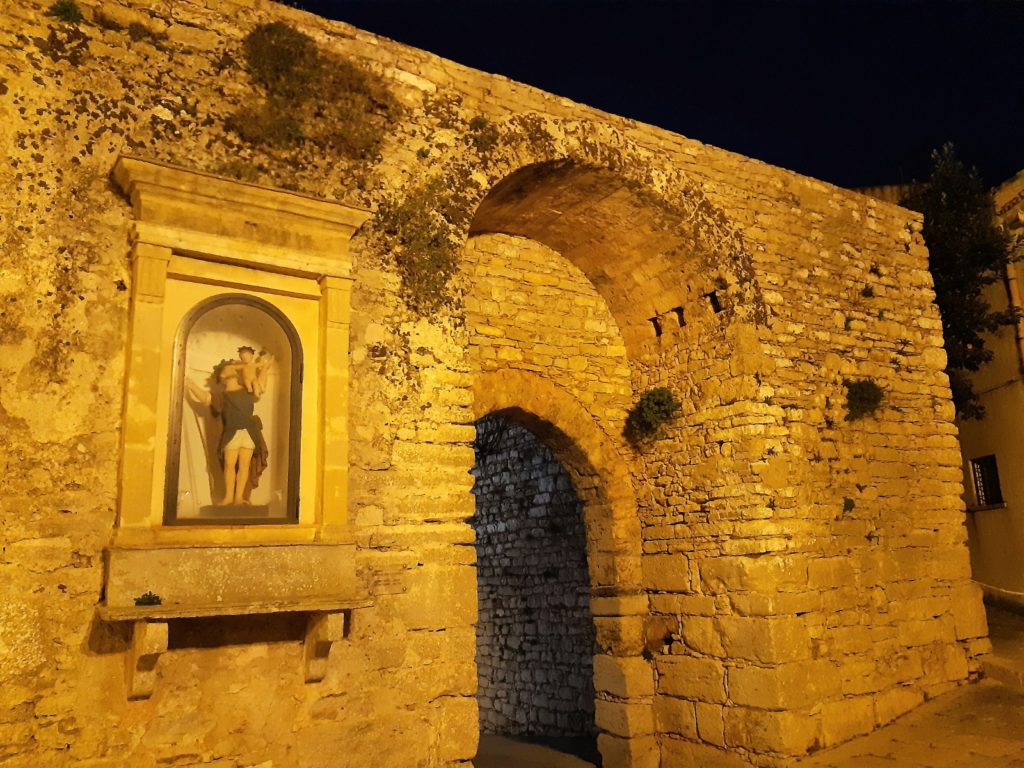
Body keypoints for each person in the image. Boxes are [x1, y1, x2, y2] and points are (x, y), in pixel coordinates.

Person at [186, 346, 273, 506]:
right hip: (231, 432)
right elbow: (205, 398)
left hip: (248, 432)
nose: (232, 370)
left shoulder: (248, 391)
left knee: (245, 465)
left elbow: (260, 385)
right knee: (229, 464)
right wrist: (191, 386)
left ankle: (239, 497)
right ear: (222, 376)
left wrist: (265, 368)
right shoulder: (222, 396)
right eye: (228, 369)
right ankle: (228, 497)